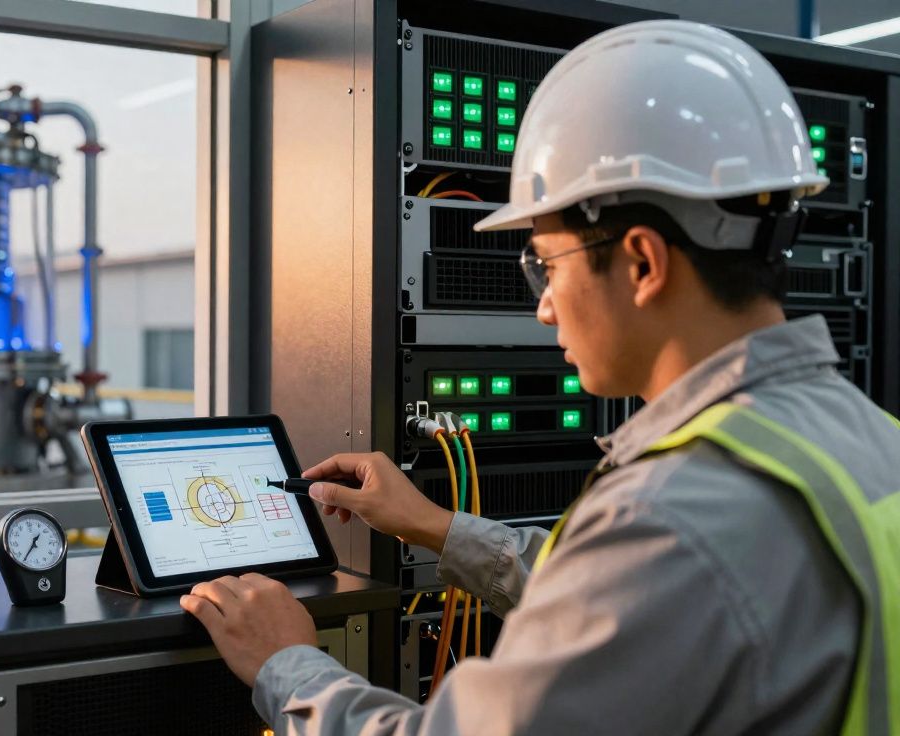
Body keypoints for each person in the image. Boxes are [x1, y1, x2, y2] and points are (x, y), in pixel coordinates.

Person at [180, 19, 900, 735]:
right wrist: (435, 527)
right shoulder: (867, 442)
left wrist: (289, 665)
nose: (545, 307)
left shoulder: (670, 514)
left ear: (643, 263)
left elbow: (645, 575)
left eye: (546, 264)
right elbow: (637, 607)